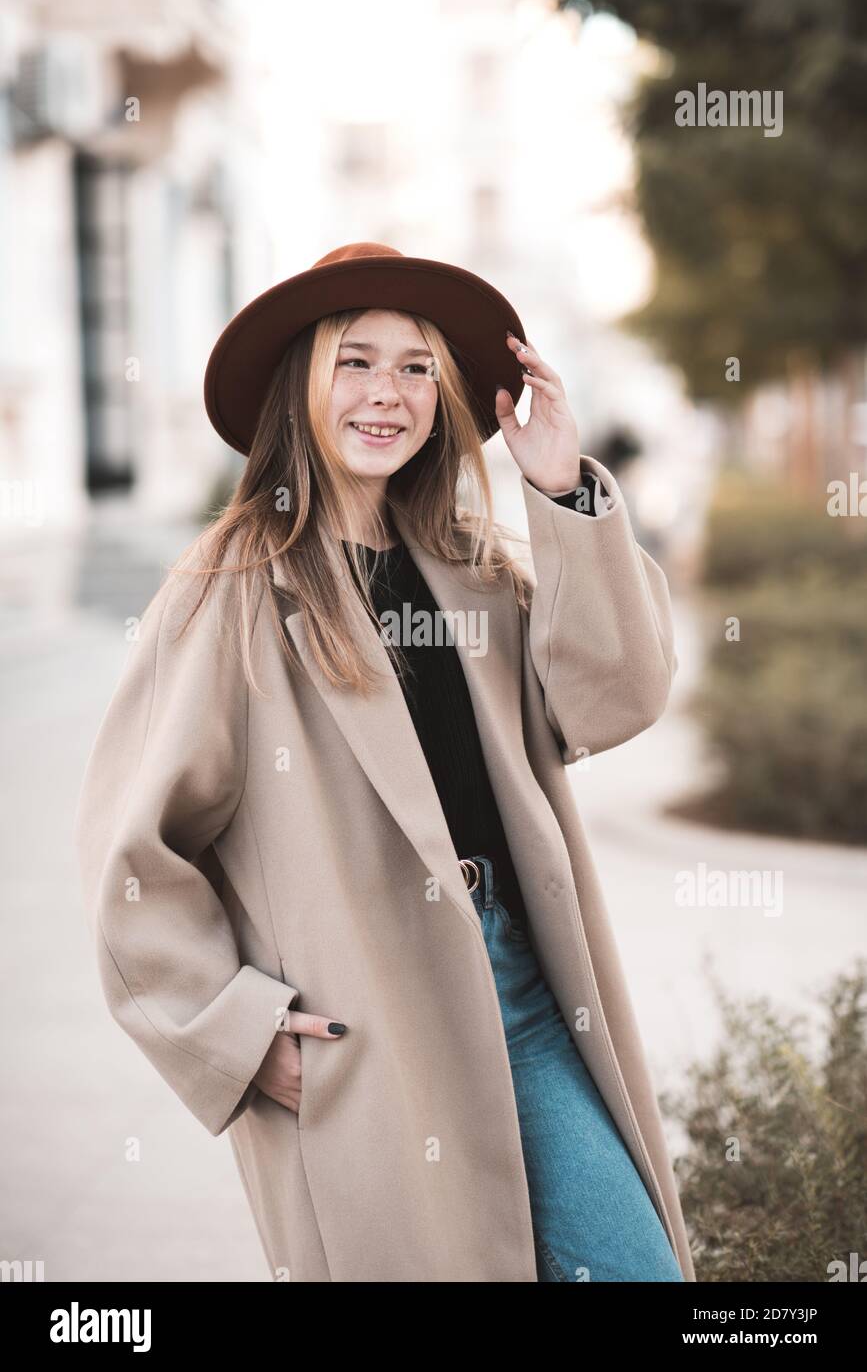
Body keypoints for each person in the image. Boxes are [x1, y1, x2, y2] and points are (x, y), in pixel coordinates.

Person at [74, 242, 694, 1283]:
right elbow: (134, 851)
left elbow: (614, 699)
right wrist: (233, 1028)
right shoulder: (228, 587)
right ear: (301, 387)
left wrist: (560, 491)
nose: (387, 393)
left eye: (415, 368)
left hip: (528, 995)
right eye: (355, 361)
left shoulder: (473, 568)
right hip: (373, 1024)